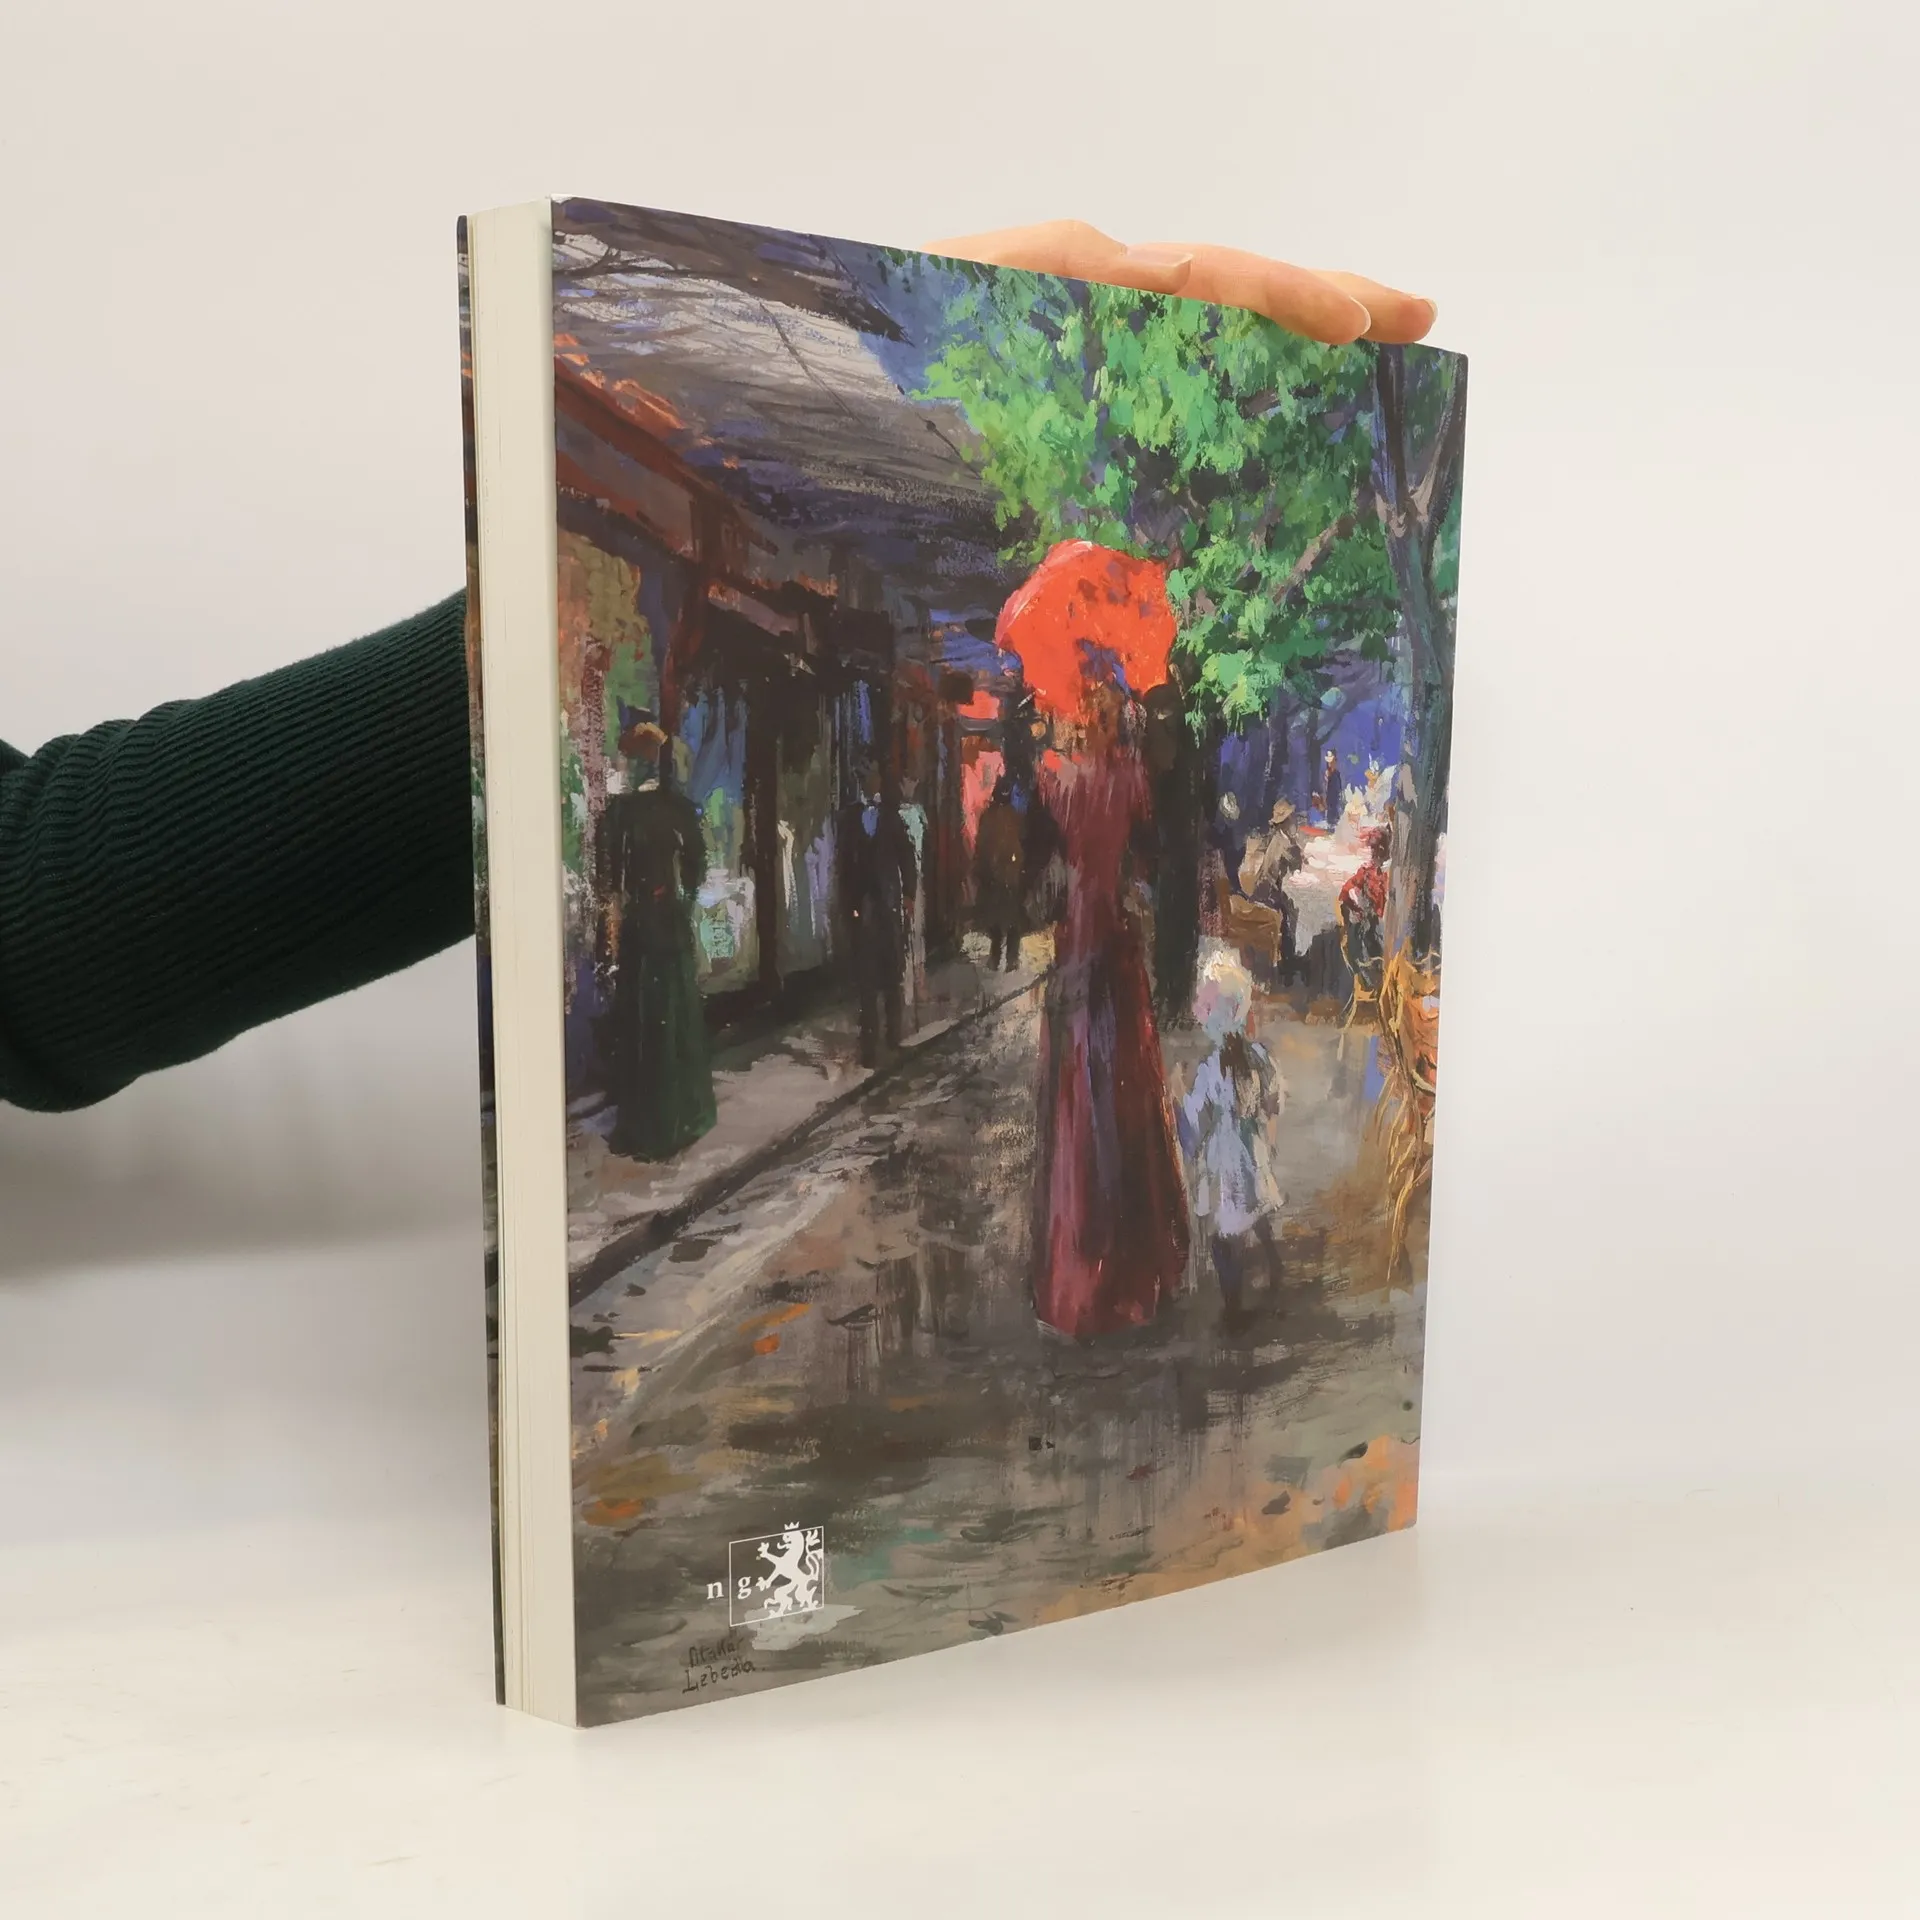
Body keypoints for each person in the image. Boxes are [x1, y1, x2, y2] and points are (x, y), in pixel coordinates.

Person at [0, 224, 1435, 1115]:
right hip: (909, 946)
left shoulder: (1060, 780)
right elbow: (43, 935)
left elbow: (41, 932)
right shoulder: (1057, 783)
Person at [1030, 678, 1189, 1339]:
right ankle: (1130, 1266)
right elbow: (1146, 861)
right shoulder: (1129, 781)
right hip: (1110, 947)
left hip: (1084, 945)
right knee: (1116, 1095)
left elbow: (1049, 872)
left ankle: (1084, 1271)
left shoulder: (1058, 780)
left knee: (1084, 1097)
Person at [594, 705, 717, 1161]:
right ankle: (675, 1118)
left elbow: (609, 878)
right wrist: (681, 899)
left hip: (644, 928)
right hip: (665, 926)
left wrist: (618, 915)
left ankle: (647, 1124)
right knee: (668, 1021)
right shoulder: (675, 810)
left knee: (646, 1022)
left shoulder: (622, 813)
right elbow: (697, 866)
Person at [1177, 950, 1286, 1322]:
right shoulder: (1257, 1056)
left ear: (1213, 1017)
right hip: (1252, 1152)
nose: (1199, 1012)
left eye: (1205, 1007)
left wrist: (1178, 1095)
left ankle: (1234, 1309)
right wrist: (1267, 1128)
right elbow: (1275, 1096)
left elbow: (1195, 1120)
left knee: (1226, 1237)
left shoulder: (1211, 1069)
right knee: (1256, 1210)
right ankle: (1273, 1263)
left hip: (1225, 1165)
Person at [835, 762, 917, 1069]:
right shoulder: (850, 819)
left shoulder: (891, 818)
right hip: (863, 907)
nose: (871, 784)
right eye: (866, 779)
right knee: (866, 980)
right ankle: (869, 1045)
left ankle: (893, 1036)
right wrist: (848, 905)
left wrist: (909, 894)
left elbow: (906, 857)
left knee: (891, 972)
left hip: (887, 905)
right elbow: (844, 865)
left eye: (875, 779)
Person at [972, 772, 1027, 971]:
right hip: (1007, 875)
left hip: (999, 874)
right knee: (1009, 917)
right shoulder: (1013, 817)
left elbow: (982, 845)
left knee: (998, 917)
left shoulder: (991, 816)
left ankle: (999, 957)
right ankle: (1009, 958)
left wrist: (982, 867)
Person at [1338, 826, 1393, 982]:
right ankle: (1366, 977)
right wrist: (1355, 906)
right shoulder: (1368, 871)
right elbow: (1346, 891)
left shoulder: (1388, 873)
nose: (1372, 852)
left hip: (1383, 928)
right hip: (1371, 924)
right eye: (1372, 848)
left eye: (1374, 849)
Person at [1320, 748, 1345, 831]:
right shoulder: (1328, 773)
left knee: (1335, 811)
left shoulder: (1336, 773)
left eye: (1332, 761)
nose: (1330, 764)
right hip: (1330, 798)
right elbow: (1325, 787)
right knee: (1331, 812)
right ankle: (1331, 825)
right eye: (1329, 762)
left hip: (1335, 797)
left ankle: (1334, 825)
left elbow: (1338, 787)